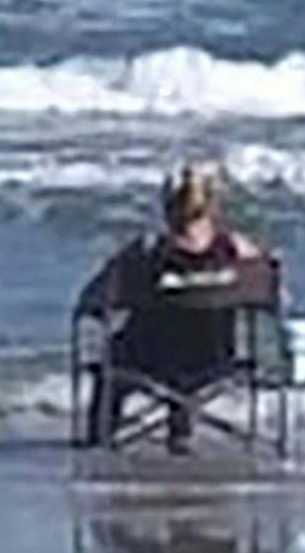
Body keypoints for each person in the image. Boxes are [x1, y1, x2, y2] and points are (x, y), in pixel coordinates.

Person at [76, 161, 266, 452]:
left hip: (151, 359)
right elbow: (271, 294)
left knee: (114, 361)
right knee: (193, 331)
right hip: (215, 359)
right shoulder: (238, 251)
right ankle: (180, 430)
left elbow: (93, 300)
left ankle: (98, 437)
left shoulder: (146, 252)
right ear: (213, 207)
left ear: (166, 207)